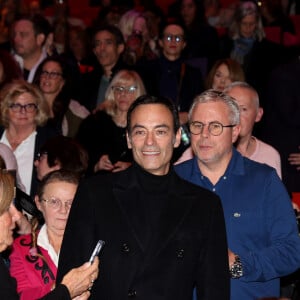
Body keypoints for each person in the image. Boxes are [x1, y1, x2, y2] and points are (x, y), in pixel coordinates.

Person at [57, 95, 230, 299]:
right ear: (129, 140)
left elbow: (214, 291)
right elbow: (71, 281)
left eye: (160, 131)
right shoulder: (95, 193)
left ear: (176, 138)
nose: (150, 142)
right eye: (140, 132)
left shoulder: (204, 206)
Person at [174, 90, 300, 300]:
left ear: (235, 132)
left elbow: (292, 252)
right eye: (197, 126)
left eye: (215, 127)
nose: (204, 134)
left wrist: (238, 264)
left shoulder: (264, 181)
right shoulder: (174, 180)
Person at [0, 170, 99, 300]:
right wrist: (65, 289)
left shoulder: (93, 244)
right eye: (54, 202)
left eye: (71, 203)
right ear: (38, 203)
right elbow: (21, 296)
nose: (63, 210)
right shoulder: (19, 247)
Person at [77, 69, 145, 174]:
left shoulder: (145, 127)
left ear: (139, 93)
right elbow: (77, 160)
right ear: (112, 92)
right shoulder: (94, 123)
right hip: (98, 185)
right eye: (119, 88)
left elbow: (154, 163)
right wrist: (95, 166)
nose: (123, 94)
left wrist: (131, 168)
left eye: (130, 89)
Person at [0, 80, 58, 197]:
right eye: (16, 106)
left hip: (33, 213)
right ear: (6, 109)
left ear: (38, 109)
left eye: (29, 106)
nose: (23, 111)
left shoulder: (51, 141)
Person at [224, 81, 281, 178]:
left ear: (258, 114)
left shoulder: (269, 155)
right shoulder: (205, 150)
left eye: (243, 109)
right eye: (231, 108)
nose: (236, 115)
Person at [35, 56, 90, 137]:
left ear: (62, 82)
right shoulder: (29, 105)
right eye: (45, 72)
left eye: (54, 74)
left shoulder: (73, 111)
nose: (47, 77)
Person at [78, 24, 127, 112]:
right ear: (94, 51)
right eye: (98, 44)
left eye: (108, 43)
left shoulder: (131, 79)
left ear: (120, 48)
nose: (102, 48)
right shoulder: (86, 82)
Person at [12, 14, 52, 83]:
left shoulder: (53, 71)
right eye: (15, 34)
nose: (16, 39)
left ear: (40, 39)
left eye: (23, 34)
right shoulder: (6, 66)